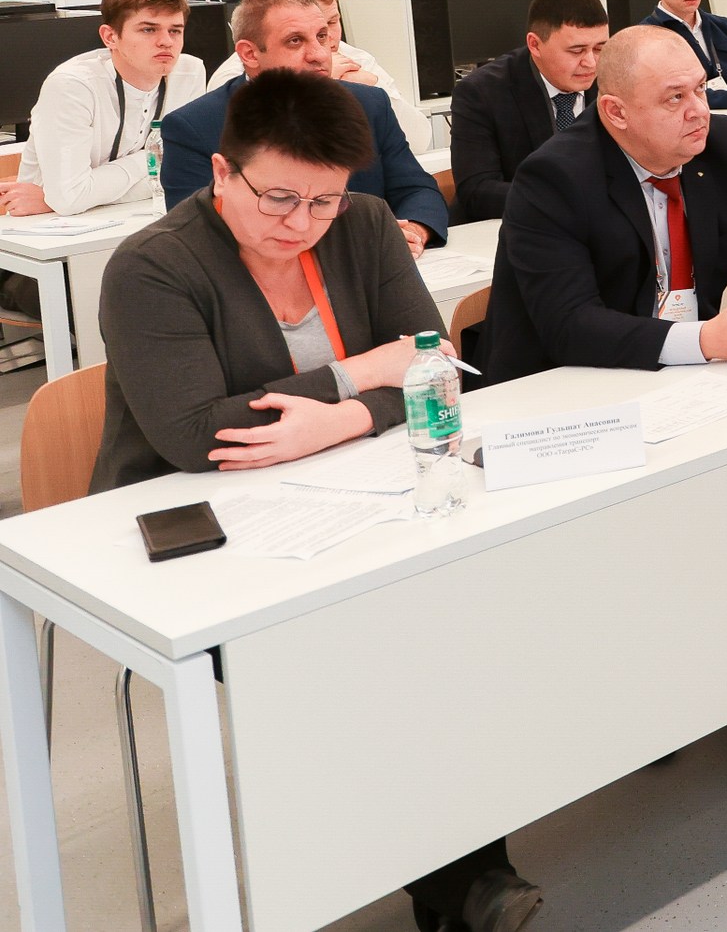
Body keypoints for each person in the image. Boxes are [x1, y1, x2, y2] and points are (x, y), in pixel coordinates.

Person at [91, 69, 541, 932]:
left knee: (458, 602)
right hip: (197, 527)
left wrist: (337, 419)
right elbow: (197, 432)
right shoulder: (152, 265)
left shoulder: (364, 224)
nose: (300, 223)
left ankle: (457, 866)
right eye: (279, 198)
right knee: (374, 635)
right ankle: (456, 881)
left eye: (322, 200)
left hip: (351, 492)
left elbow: (432, 363)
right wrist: (357, 377)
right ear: (222, 172)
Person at [478, 26, 727, 383]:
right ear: (616, 112)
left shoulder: (720, 146)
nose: (699, 111)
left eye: (700, 89)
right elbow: (570, 325)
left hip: (687, 378)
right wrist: (704, 340)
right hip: (566, 386)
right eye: (675, 98)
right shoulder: (555, 177)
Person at [162, 0, 448, 255]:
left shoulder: (369, 104)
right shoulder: (194, 126)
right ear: (249, 54)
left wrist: (413, 231)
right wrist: (362, 243)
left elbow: (416, 190)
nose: (319, 55)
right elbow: (199, 237)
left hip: (375, 273)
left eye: (322, 37)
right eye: (295, 41)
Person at [4, 0, 206, 217]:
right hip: (51, 225)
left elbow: (193, 173)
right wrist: (154, 159)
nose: (166, 42)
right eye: (148, 30)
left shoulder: (190, 72)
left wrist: (61, 197)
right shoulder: (72, 86)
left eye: (175, 31)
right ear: (110, 37)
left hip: (143, 214)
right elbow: (69, 198)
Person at [208, 0, 435, 153]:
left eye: (330, 25)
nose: (329, 41)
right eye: (296, 38)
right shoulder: (234, 74)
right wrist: (323, 85)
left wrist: (375, 86)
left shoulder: (356, 59)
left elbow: (419, 140)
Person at [448, 0, 611, 224]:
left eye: (599, 48)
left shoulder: (614, 79)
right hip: (514, 226)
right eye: (576, 51)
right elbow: (477, 191)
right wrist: (567, 200)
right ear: (535, 45)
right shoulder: (481, 92)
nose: (591, 63)